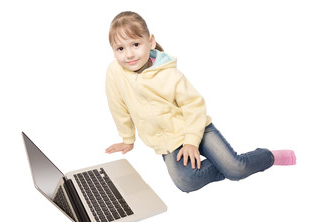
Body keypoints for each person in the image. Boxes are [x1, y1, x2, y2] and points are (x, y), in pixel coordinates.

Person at [105, 11, 296, 193]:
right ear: (113, 51)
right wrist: (127, 139)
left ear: (151, 41)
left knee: (236, 169)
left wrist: (190, 141)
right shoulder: (115, 73)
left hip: (196, 126)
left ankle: (269, 157)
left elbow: (194, 106)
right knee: (185, 181)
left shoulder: (170, 75)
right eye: (120, 49)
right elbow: (118, 106)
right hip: (169, 141)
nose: (129, 54)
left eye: (136, 45)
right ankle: (226, 164)